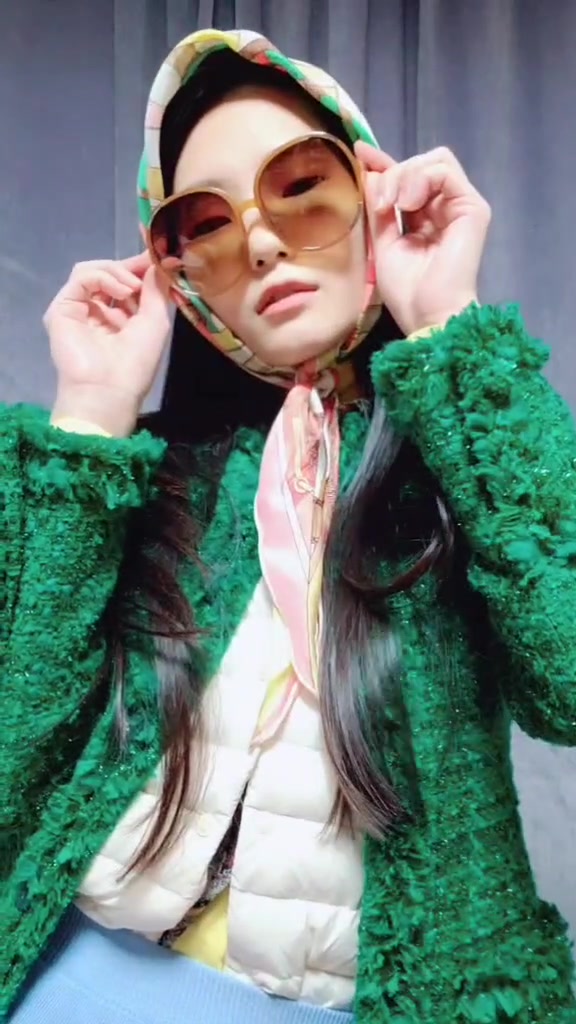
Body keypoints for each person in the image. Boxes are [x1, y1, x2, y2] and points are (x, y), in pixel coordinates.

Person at [2, 25, 576, 1024]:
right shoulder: (144, 477)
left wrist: (451, 328)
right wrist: (90, 417)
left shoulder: (466, 454)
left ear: (372, 192)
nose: (262, 241)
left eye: (302, 186)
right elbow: (15, 751)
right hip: (81, 977)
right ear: (182, 273)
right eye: (208, 226)